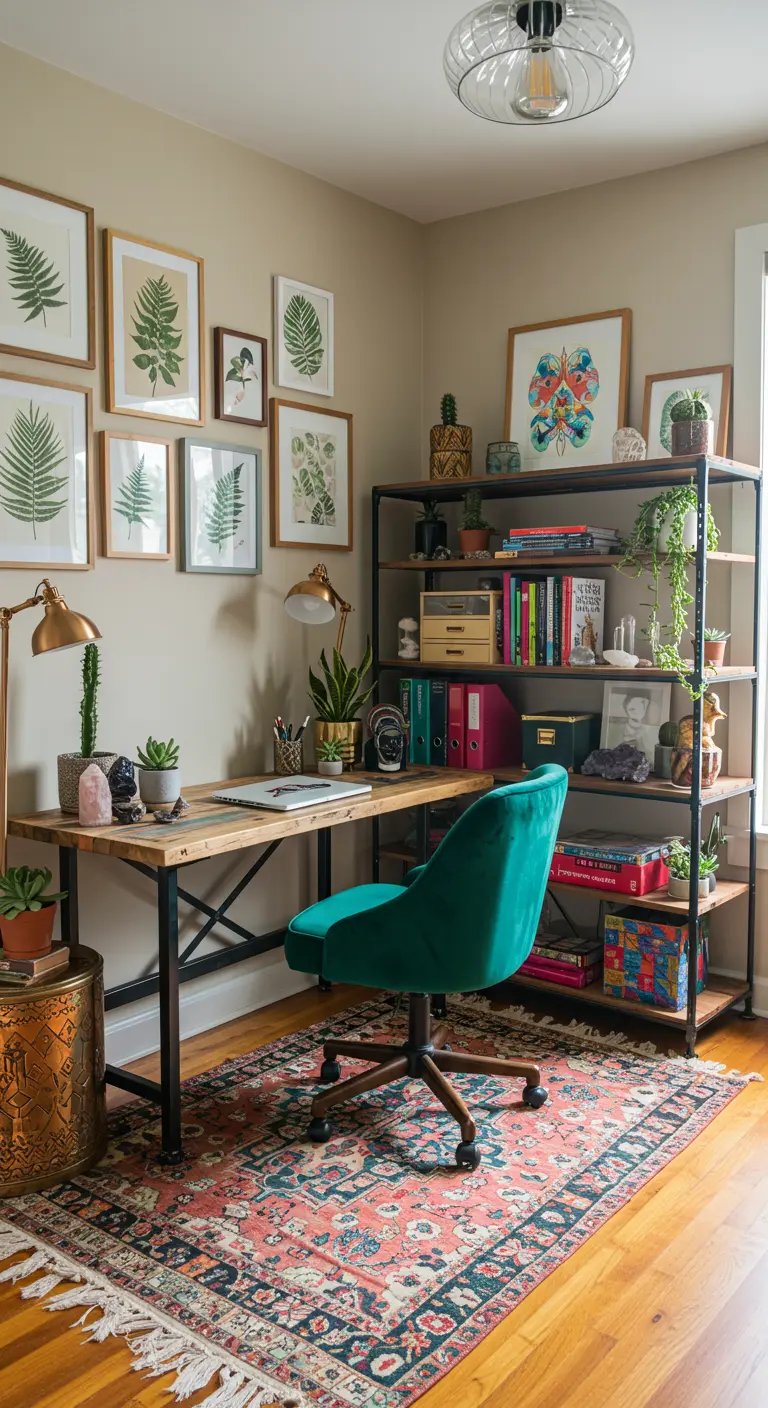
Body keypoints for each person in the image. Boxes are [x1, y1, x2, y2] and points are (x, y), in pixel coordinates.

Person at [615, 690, 656, 761]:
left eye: (642, 702)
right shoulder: (617, 729)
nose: (635, 708)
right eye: (630, 702)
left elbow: (650, 758)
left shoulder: (650, 732)